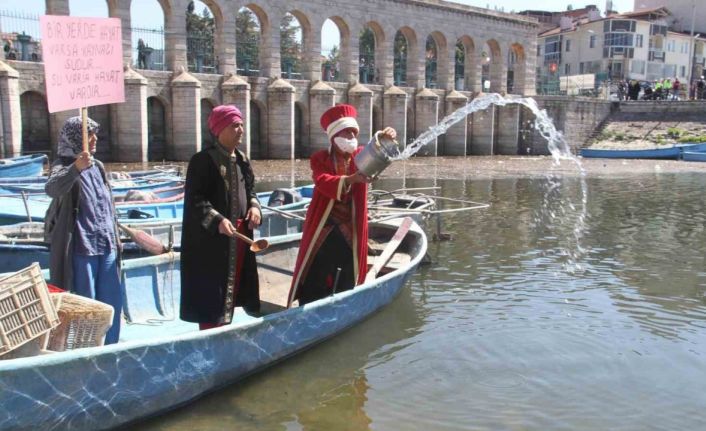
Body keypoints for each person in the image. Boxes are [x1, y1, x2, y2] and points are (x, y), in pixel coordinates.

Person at [287, 104, 397, 307]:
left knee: (348, 269)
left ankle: (345, 306)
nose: (351, 136)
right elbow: (322, 180)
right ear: (334, 136)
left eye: (353, 132)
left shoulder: (361, 155)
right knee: (316, 270)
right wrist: (352, 179)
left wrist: (385, 137)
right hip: (325, 225)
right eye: (346, 132)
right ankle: (310, 307)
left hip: (351, 225)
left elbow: (378, 152)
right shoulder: (320, 158)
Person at [180, 104, 262, 329]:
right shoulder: (202, 161)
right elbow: (195, 199)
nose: (241, 130)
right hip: (213, 241)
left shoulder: (243, 160)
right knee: (212, 289)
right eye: (235, 125)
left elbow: (251, 190)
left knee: (234, 287)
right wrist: (217, 220)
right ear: (219, 129)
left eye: (242, 125)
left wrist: (254, 207)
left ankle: (227, 325)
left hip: (240, 236)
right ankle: (210, 331)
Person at [44, 116, 123, 345]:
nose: (95, 139)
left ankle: (111, 347)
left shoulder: (98, 166)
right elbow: (52, 189)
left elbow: (108, 205)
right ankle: (85, 348)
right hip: (81, 247)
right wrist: (76, 168)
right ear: (77, 138)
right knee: (85, 305)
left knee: (111, 302)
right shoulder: (62, 165)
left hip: (107, 245)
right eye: (90, 134)